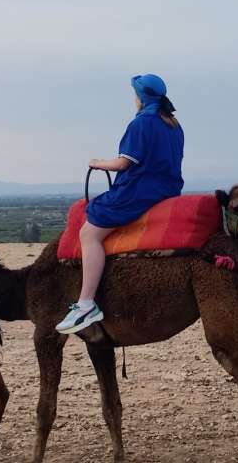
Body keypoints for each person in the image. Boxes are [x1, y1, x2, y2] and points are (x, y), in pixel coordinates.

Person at [55, 74, 184, 334]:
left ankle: (86, 303)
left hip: (139, 191)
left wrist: (97, 163)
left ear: (141, 97)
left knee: (88, 233)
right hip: (168, 190)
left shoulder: (142, 123)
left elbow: (124, 163)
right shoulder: (173, 124)